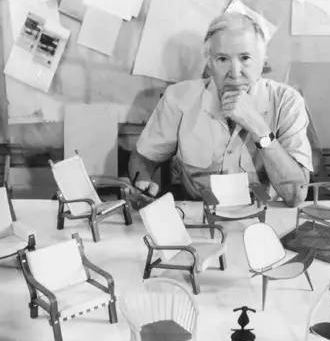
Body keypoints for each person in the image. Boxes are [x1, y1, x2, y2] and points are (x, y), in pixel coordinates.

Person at [128, 12, 313, 207]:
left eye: (245, 58)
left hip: (265, 214)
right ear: (209, 64)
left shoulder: (287, 101)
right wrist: (142, 180)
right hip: (199, 213)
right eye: (223, 59)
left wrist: (257, 127)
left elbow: (295, 195)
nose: (235, 73)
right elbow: (143, 158)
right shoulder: (178, 98)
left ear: (263, 62)